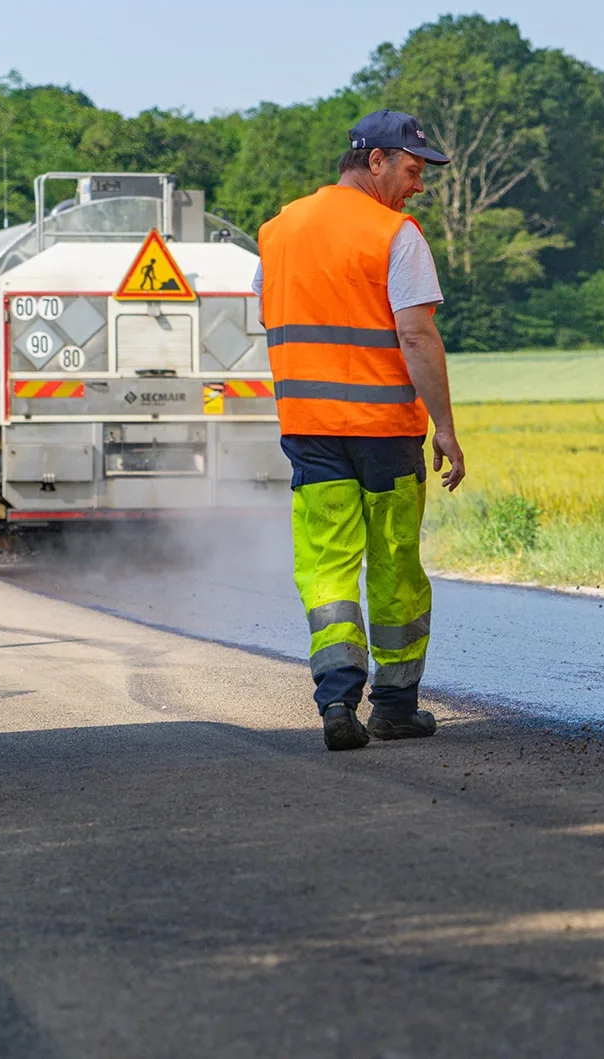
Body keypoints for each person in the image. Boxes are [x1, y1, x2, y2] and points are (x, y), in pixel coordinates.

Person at [254, 109, 466, 751]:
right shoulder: (395, 234)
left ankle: (336, 700)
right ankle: (396, 707)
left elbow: (268, 317)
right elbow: (415, 333)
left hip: (309, 431)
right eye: (411, 169)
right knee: (395, 562)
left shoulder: (277, 230)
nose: (419, 185)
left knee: (327, 565)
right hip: (384, 432)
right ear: (375, 160)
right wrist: (447, 429)